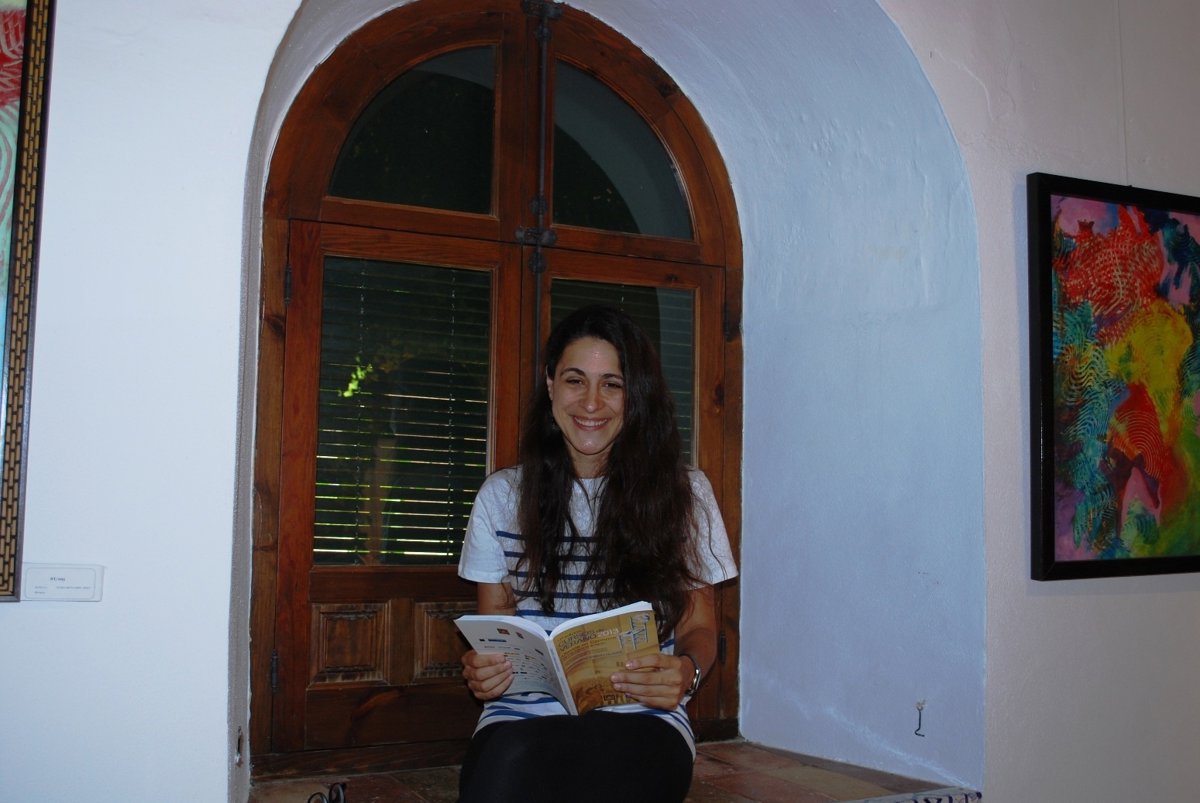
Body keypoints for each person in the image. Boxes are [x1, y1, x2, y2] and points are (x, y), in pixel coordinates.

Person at [456, 305, 738, 803]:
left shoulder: (686, 494)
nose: (591, 402)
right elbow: (496, 633)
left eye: (612, 384)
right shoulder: (501, 497)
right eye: (575, 380)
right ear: (550, 386)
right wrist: (484, 672)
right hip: (520, 719)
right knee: (512, 760)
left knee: (599, 766)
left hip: (643, 717)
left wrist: (686, 672)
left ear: (637, 394)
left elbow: (699, 626)